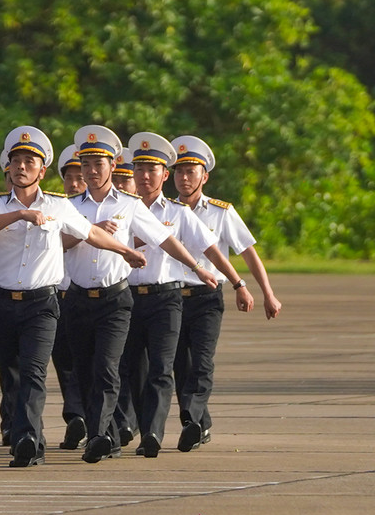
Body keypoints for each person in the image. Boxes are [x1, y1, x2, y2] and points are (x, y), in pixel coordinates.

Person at [0, 126, 146, 468]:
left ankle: (26, 438)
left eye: (29, 161)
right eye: (16, 161)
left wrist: (125, 250)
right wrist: (21, 214)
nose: (21, 167)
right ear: (8, 167)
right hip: (2, 301)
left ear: (42, 169)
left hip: (41, 305)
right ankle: (30, 436)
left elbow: (91, 233)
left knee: (35, 371)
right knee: (11, 371)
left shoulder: (58, 205)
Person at [61, 125, 213, 464]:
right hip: (78, 298)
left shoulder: (129, 205)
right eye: (86, 164)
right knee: (84, 371)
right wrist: (90, 233)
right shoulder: (68, 206)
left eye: (98, 164)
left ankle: (100, 436)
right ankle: (110, 435)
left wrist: (197, 267)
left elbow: (164, 238)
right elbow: (56, 243)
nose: (91, 171)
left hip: (116, 299)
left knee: (107, 369)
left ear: (113, 166)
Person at [119, 131, 246, 457]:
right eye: (140, 169)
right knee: (132, 369)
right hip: (127, 299)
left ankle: (153, 434)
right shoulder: (120, 209)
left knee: (162, 369)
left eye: (153, 170)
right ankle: (141, 424)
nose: (145, 177)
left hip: (166, 298)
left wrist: (237, 283)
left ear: (164, 175)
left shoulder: (178, 213)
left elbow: (211, 250)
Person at [170, 134, 284, 452]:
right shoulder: (165, 211)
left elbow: (248, 252)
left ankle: (191, 420)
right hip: (173, 298)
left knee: (202, 362)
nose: (183, 177)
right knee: (181, 364)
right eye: (178, 171)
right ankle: (200, 423)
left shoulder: (221, 212)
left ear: (204, 177)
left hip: (207, 298)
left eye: (190, 171)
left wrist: (267, 293)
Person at [52, 142, 88, 451]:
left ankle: (85, 416)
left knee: (92, 363)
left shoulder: (100, 208)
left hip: (92, 296)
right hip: (58, 296)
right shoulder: (54, 207)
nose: (75, 183)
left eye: (80, 176)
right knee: (64, 362)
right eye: (69, 177)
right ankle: (76, 418)